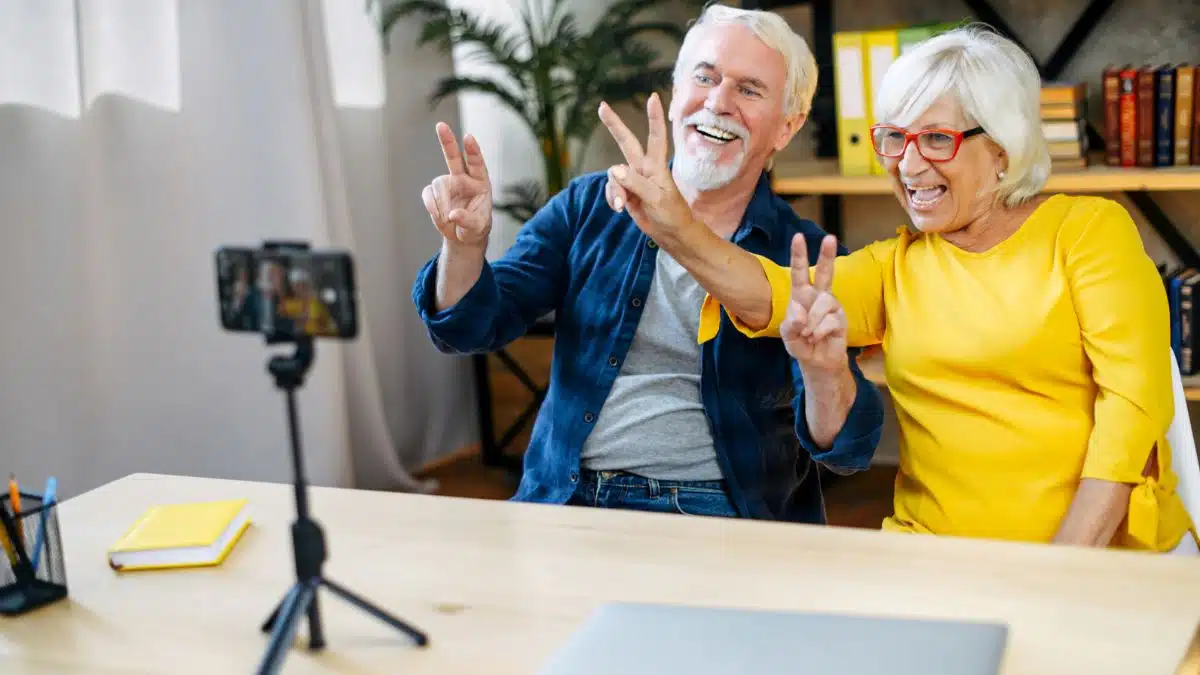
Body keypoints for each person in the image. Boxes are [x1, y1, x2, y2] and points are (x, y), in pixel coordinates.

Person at [662, 24, 1197, 551]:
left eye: (937, 139)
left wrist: (1061, 568)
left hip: (1089, 559)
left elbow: (1130, 415)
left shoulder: (1087, 233)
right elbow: (770, 294)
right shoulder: (896, 266)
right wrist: (673, 226)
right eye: (895, 137)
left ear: (1002, 151)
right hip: (932, 557)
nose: (908, 164)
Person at [410, 4, 884, 522]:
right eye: (704, 77)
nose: (718, 102)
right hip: (569, 497)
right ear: (677, 92)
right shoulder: (588, 206)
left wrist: (825, 372)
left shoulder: (805, 256)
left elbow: (846, 446)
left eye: (749, 90)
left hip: (722, 510)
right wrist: (465, 245)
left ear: (787, 127)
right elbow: (470, 328)